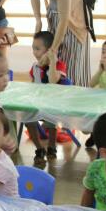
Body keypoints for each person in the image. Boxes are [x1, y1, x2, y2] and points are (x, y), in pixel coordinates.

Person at [26, 30, 69, 165]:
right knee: (28, 118)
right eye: (33, 48)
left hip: (54, 105)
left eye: (37, 49)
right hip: (38, 102)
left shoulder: (59, 65)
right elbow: (33, 84)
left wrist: (52, 62)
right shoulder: (35, 66)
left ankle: (51, 146)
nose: (34, 52)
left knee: (51, 118)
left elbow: (52, 81)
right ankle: (39, 148)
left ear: (49, 50)